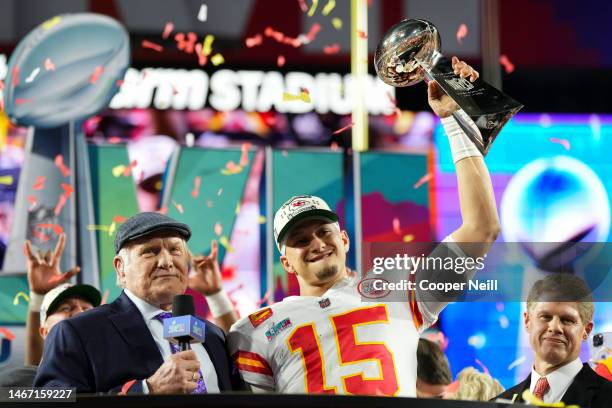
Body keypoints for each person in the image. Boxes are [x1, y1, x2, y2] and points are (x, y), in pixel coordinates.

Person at [228, 57, 501, 395]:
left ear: (343, 239)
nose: (315, 242)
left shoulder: (402, 290)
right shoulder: (254, 331)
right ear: (285, 262)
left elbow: (481, 228)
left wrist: (453, 122)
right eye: (299, 239)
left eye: (323, 231)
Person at [35, 212, 243, 393]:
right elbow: (50, 401)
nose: (166, 262)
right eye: (150, 251)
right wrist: (147, 389)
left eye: (175, 250)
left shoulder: (212, 335)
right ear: (120, 268)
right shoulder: (76, 333)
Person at [495, 274, 612, 407]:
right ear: (527, 321)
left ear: (587, 330)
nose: (555, 327)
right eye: (545, 316)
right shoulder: (496, 404)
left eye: (567, 320)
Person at [0, 234, 100, 387]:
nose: (80, 312)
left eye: (87, 308)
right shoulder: (14, 384)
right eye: (66, 308)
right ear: (43, 332)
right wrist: (39, 297)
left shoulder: (119, 382)